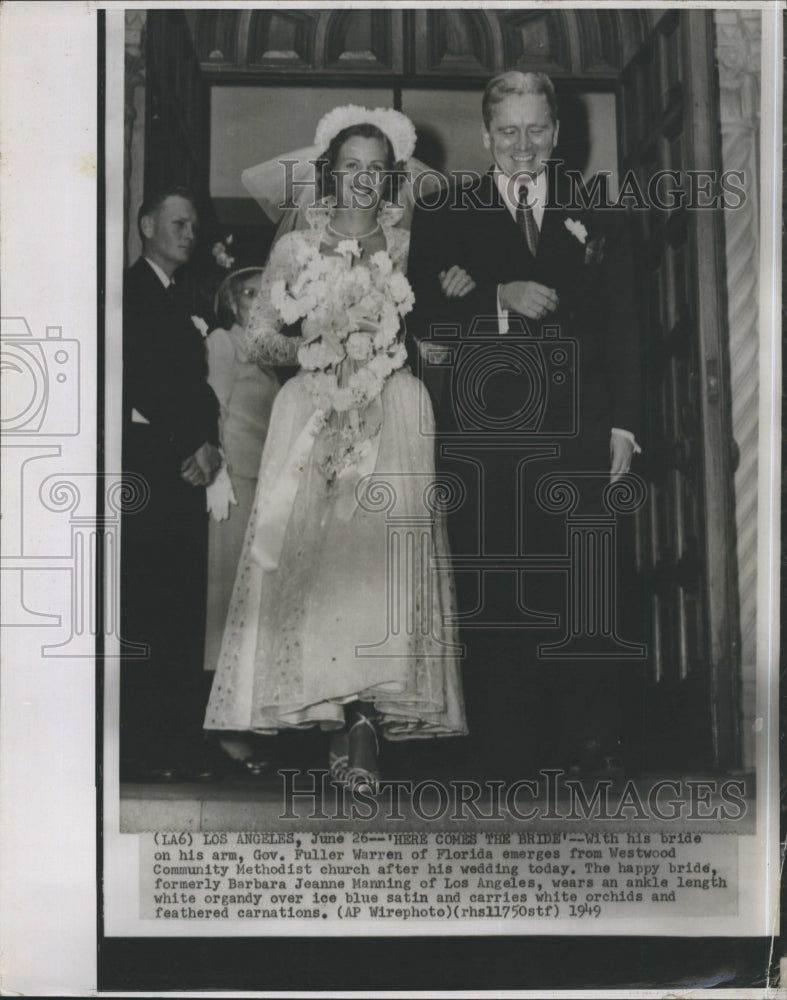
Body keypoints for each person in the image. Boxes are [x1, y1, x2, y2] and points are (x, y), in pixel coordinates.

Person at [204, 107, 468, 791]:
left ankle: (365, 722)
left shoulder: (411, 244)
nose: (361, 180)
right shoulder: (296, 248)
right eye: (349, 166)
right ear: (328, 172)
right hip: (313, 411)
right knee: (316, 572)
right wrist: (314, 346)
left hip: (393, 411)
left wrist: (406, 347)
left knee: (378, 569)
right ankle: (334, 711)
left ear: (391, 179)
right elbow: (261, 337)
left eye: (374, 169)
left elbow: (434, 331)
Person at [406, 71, 643, 779]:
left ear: (557, 133)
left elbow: (624, 324)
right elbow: (421, 311)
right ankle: (506, 751)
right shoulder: (445, 208)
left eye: (535, 129)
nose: (521, 145)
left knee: (583, 582)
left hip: (580, 426)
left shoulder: (596, 210)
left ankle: (587, 745)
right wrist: (496, 297)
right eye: (506, 131)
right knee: (499, 587)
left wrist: (625, 426)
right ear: (485, 137)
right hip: (488, 434)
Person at [121, 187, 223, 782]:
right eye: (179, 223)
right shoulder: (131, 294)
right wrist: (191, 445)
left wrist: (207, 444)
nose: (190, 233)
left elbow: (199, 393)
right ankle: (150, 746)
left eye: (194, 225)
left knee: (179, 607)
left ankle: (177, 739)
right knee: (152, 609)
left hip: (183, 469)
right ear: (145, 225)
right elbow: (140, 386)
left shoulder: (173, 294)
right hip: (154, 471)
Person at [202, 262, 280, 771]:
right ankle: (223, 727)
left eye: (265, 294)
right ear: (233, 302)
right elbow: (215, 409)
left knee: (252, 608)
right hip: (232, 490)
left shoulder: (270, 357)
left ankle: (246, 715)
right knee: (225, 601)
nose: (259, 301)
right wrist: (219, 477)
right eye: (250, 293)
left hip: (266, 490)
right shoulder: (224, 342)